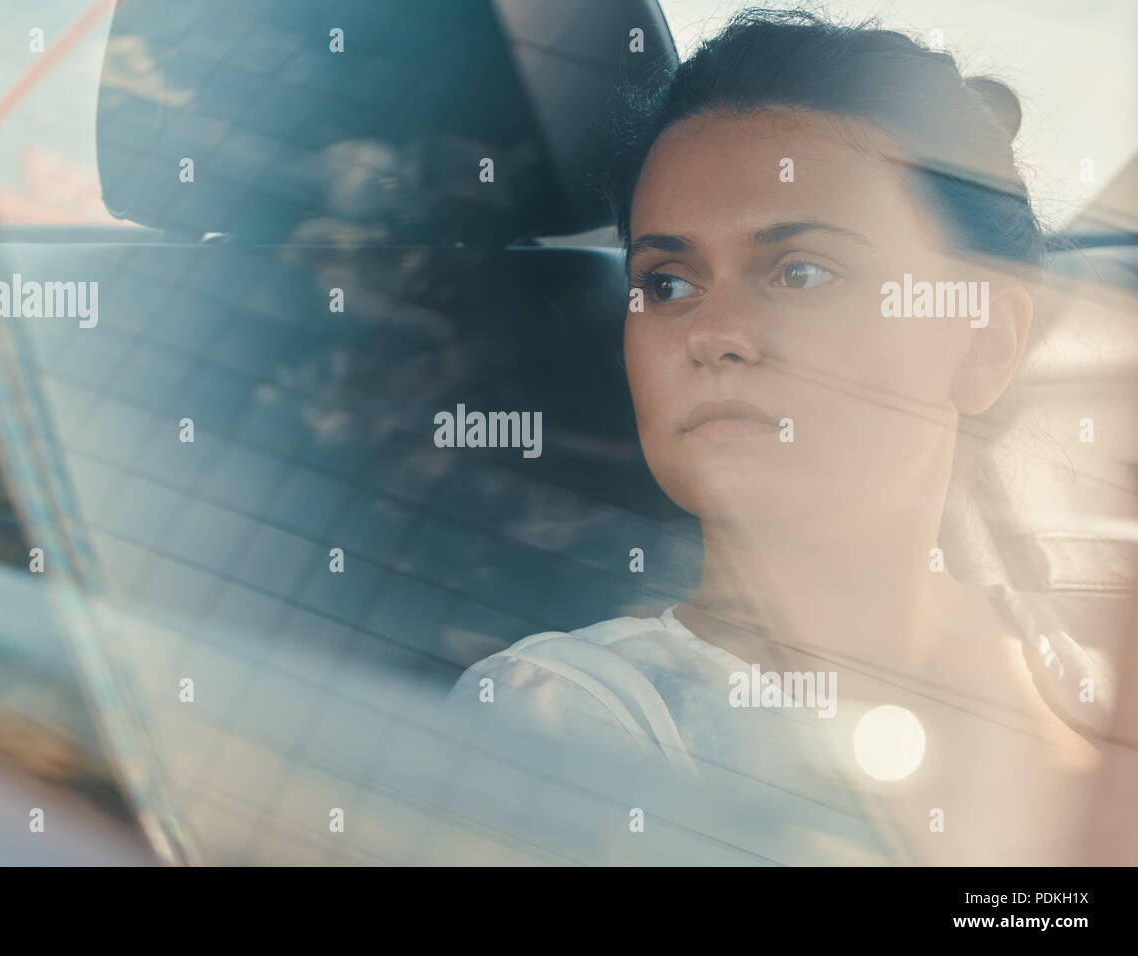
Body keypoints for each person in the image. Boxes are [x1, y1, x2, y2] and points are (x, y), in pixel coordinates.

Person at [447, 9, 1114, 864]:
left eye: (802, 271)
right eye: (669, 282)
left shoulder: (1087, 674)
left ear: (982, 340)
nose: (714, 332)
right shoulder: (565, 722)